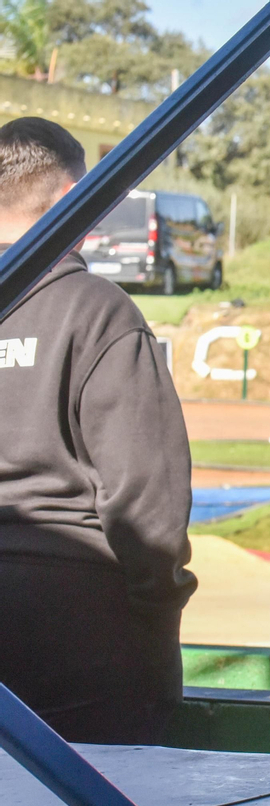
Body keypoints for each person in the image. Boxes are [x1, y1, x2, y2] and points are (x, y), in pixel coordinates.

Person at [0, 118, 195, 743]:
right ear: (69, 200)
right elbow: (147, 501)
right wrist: (160, 612)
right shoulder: (98, 311)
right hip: (81, 627)